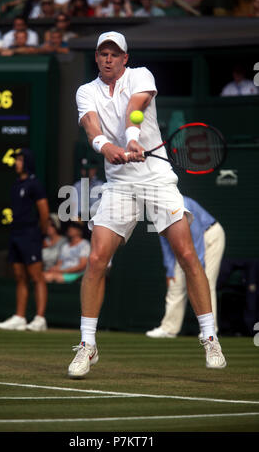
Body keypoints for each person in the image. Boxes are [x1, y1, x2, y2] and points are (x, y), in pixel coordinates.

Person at [67, 31, 227, 379]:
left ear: (125, 57)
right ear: (97, 57)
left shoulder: (140, 75)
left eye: (115, 54)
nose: (108, 59)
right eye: (102, 54)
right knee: (96, 259)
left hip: (155, 177)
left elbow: (134, 109)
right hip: (119, 184)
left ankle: (209, 336)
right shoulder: (86, 91)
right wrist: (103, 146)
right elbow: (91, 123)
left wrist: (133, 139)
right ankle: (87, 345)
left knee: (187, 254)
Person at [146, 196, 225, 338]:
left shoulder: (182, 204)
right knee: (175, 283)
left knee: (205, 282)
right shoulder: (156, 211)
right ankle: (169, 328)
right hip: (185, 242)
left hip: (210, 236)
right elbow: (165, 241)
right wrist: (170, 271)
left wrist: (197, 269)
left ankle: (209, 331)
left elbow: (196, 236)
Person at [0, 148, 49, 332]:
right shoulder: (16, 185)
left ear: (26, 162)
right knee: (20, 276)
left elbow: (43, 212)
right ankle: (19, 316)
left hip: (30, 234)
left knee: (36, 276)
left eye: (19, 160)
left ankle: (40, 318)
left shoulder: (35, 185)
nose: (16, 163)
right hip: (16, 234)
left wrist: (41, 235)